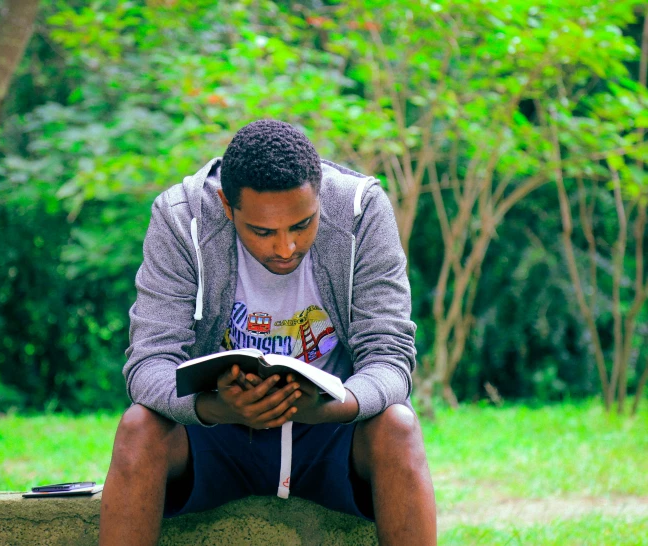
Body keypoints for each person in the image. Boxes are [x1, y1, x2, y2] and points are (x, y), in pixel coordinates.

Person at [99, 120, 436, 545]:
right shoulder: (180, 217)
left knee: (399, 426)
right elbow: (148, 364)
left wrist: (334, 406)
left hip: (330, 432)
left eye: (302, 225)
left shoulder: (360, 210)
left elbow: (390, 355)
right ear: (226, 205)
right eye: (262, 232)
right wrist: (216, 407)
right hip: (216, 432)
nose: (285, 247)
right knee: (138, 428)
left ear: (320, 197)